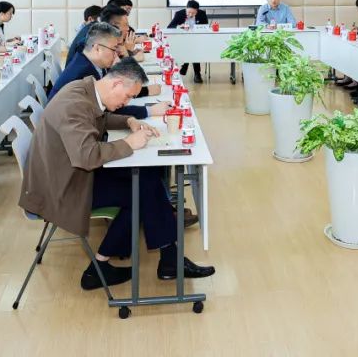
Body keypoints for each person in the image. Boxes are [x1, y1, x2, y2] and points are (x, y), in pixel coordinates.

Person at [19, 59, 215, 290]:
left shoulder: (84, 91)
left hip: (69, 175)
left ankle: (163, 259)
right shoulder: (74, 105)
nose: (127, 102)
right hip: (61, 190)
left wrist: (129, 120)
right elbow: (87, 156)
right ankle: (156, 261)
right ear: (116, 84)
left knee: (146, 180)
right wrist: (129, 143)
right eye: (128, 96)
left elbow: (100, 119)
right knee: (142, 189)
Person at [168, 0, 208, 84]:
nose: (190, 14)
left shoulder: (202, 14)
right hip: (182, 40)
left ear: (197, 11)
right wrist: (179, 26)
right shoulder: (179, 14)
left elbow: (205, 28)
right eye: (189, 12)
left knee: (193, 47)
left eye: (193, 13)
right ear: (186, 9)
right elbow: (169, 27)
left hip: (197, 39)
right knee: (192, 48)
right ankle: (197, 73)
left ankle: (185, 65)